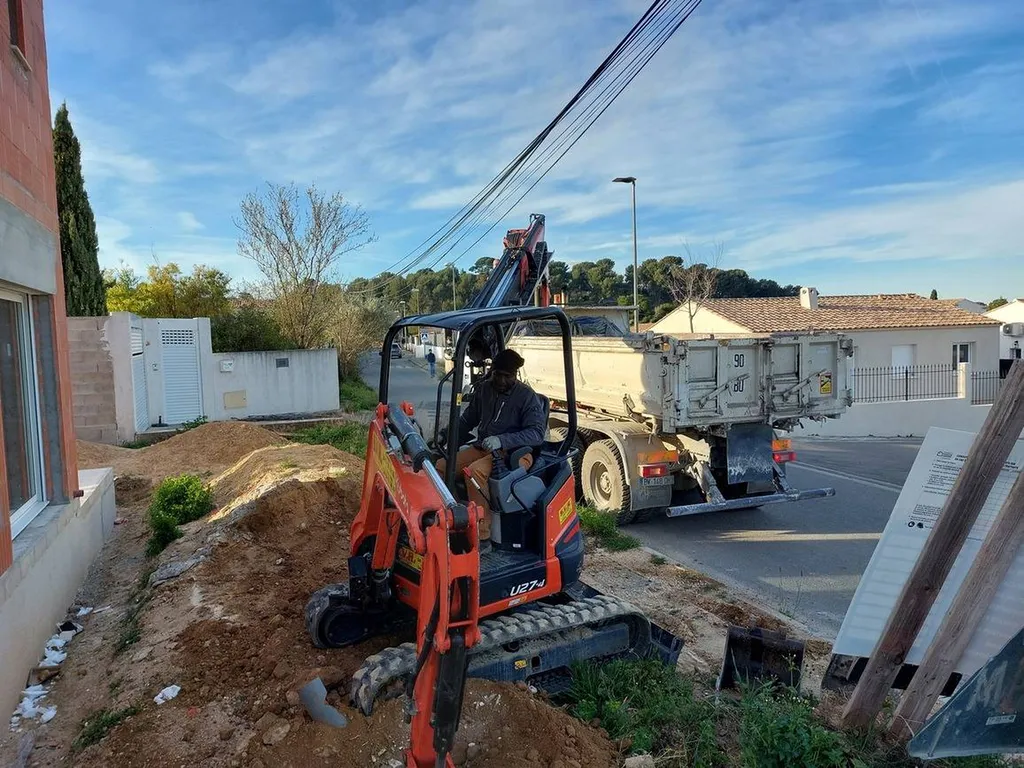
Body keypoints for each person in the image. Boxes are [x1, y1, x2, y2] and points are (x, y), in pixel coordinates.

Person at [437, 349, 546, 548]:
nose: (502, 381)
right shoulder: (485, 390)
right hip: (484, 448)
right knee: (441, 467)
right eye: (498, 375)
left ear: (515, 375)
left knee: (474, 473)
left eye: (508, 376)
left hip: (515, 453)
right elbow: (467, 420)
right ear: (492, 370)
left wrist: (502, 440)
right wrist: (445, 436)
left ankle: (482, 535)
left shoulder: (526, 397)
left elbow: (536, 434)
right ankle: (455, 519)